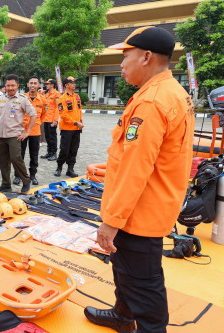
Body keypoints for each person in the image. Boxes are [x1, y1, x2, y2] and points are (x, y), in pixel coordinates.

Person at [84, 26, 195, 333]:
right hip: (150, 204)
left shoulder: (152, 102)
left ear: (146, 57)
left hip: (138, 212)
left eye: (126, 55)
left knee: (144, 284)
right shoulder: (171, 92)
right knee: (126, 270)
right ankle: (123, 315)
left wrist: (112, 221)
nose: (121, 63)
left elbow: (136, 168)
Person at [0, 74, 36, 194]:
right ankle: (6, 185)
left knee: (15, 158)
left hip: (14, 136)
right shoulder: (0, 98)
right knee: (3, 161)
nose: (10, 88)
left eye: (13, 85)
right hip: (1, 136)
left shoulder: (22, 99)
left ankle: (26, 181)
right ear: (5, 86)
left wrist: (27, 132)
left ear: (17, 85)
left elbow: (33, 114)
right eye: (8, 85)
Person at [13, 76, 46, 186]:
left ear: (38, 85)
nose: (32, 85)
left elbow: (43, 116)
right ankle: (18, 175)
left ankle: (33, 175)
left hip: (35, 132)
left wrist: (35, 125)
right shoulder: (22, 98)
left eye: (35, 83)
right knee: (19, 155)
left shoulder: (42, 100)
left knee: (34, 155)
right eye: (31, 83)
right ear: (27, 85)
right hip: (21, 131)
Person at [54, 76, 83, 178]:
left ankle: (70, 169)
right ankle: (59, 167)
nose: (74, 84)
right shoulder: (62, 98)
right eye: (72, 82)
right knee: (64, 150)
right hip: (67, 129)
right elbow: (64, 115)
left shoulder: (77, 96)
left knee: (74, 149)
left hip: (76, 129)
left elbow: (79, 111)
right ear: (66, 85)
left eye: (75, 82)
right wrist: (76, 123)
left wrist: (80, 122)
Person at [41, 79, 61, 161]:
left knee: (52, 137)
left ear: (52, 85)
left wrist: (55, 120)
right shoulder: (47, 94)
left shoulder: (57, 94)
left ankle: (54, 153)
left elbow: (57, 108)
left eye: (48, 84)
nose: (46, 85)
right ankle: (49, 152)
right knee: (47, 137)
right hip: (46, 119)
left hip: (52, 119)